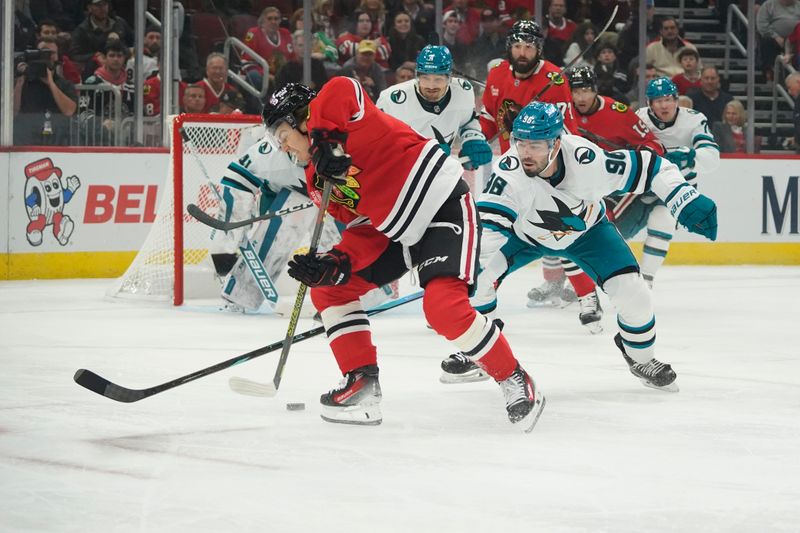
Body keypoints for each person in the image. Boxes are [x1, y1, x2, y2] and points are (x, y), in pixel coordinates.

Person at [264, 81, 545, 431]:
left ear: (304, 118)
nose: (282, 145)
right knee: (328, 289)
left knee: (444, 310)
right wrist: (337, 265)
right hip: (395, 233)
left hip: (442, 206)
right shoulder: (317, 179)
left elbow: (340, 88)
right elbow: (365, 227)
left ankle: (514, 377)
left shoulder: (348, 117)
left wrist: (326, 142)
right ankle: (361, 383)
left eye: (282, 132)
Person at [439, 101, 718, 391]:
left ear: (557, 143)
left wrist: (682, 196)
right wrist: (461, 263)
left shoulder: (588, 162)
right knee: (477, 278)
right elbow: (486, 229)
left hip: (588, 235)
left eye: (536, 146)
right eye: (521, 143)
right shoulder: (509, 173)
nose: (525, 154)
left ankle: (640, 357)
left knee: (635, 295)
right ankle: (481, 350)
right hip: (523, 236)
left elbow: (654, 167)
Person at [479, 19, 583, 315]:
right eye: (517, 46)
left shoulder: (554, 80)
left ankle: (584, 292)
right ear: (509, 47)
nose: (522, 52)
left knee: (555, 228)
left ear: (538, 49)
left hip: (544, 171)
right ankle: (475, 296)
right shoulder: (497, 74)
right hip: (509, 169)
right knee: (492, 232)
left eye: (528, 47)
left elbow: (567, 132)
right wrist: (474, 138)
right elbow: (490, 117)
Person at [631, 77, 720, 286]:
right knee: (613, 230)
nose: (664, 105)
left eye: (668, 99)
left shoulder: (694, 119)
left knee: (663, 223)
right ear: (649, 103)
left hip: (675, 190)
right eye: (658, 100)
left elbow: (712, 158)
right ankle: (585, 280)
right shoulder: (638, 118)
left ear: (677, 99)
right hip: (641, 188)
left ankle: (646, 280)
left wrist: (691, 156)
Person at [377, 45, 493, 172]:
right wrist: (422, 151)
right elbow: (377, 143)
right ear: (417, 76)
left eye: (438, 79)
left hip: (439, 174)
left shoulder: (462, 91)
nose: (431, 86)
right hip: (399, 174)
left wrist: (473, 138)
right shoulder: (392, 100)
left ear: (449, 78)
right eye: (425, 78)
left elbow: (468, 122)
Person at [13, 37, 78, 145]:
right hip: (27, 140)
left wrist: (50, 83)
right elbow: (12, 112)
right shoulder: (25, 83)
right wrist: (19, 82)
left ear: (57, 57)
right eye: (43, 53)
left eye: (51, 53)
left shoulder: (65, 84)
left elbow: (69, 111)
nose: (48, 57)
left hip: (58, 140)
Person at [242, 7, 297, 91]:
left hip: (283, 75)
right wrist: (266, 74)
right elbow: (246, 60)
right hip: (261, 75)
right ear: (262, 21)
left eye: (276, 19)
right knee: (254, 76)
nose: (273, 22)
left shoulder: (286, 33)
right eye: (269, 19)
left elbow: (293, 57)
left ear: (280, 21)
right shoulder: (251, 33)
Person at [69, 0, 133, 69]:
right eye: (98, 5)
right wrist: (94, 56)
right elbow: (74, 55)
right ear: (89, 8)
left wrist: (128, 51)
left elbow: (133, 40)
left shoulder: (119, 23)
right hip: (96, 70)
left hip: (124, 66)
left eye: (105, 4)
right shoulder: (82, 30)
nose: (102, 8)